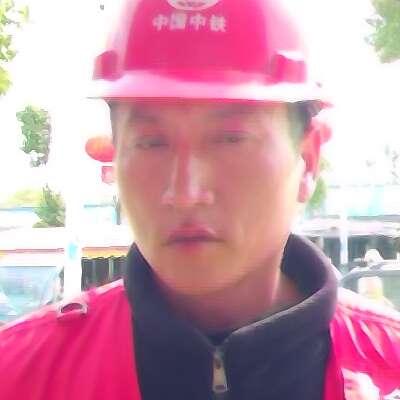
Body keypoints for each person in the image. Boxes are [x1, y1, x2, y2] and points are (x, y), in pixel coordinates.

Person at [1, 0, 400, 399]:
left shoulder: (389, 369)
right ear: (115, 156)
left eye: (230, 139)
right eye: (152, 143)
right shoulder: (18, 376)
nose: (185, 193)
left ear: (308, 160)